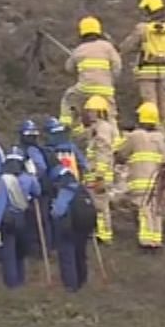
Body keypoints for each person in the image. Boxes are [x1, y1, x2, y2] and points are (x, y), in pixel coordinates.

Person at [116, 103, 165, 249]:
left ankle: (146, 243)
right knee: (155, 212)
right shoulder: (160, 138)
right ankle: (156, 240)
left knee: (144, 211)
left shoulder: (135, 136)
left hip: (140, 182)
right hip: (157, 182)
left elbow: (121, 153)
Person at [120, 0, 165, 126]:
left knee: (150, 102)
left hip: (146, 71)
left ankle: (155, 129)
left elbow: (128, 45)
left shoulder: (142, 28)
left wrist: (122, 50)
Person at [61, 16, 120, 123]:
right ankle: (114, 136)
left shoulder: (79, 49)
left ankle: (67, 125)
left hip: (85, 88)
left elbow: (68, 69)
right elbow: (117, 66)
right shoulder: (108, 47)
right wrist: (111, 81)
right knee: (110, 115)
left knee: (68, 98)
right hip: (106, 89)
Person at [0, 149, 36, 287]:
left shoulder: (4, 180)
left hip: (8, 218)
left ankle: (11, 282)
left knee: (9, 251)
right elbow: (38, 191)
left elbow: (0, 204)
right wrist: (33, 175)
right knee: (21, 251)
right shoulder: (28, 179)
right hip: (24, 217)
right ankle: (21, 279)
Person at [78, 95, 119, 245]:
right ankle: (98, 232)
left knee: (100, 205)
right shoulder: (97, 128)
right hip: (93, 173)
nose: (89, 113)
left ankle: (104, 235)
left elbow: (104, 150)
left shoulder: (103, 128)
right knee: (95, 204)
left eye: (91, 111)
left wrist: (100, 175)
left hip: (99, 174)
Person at [50, 160, 93, 291]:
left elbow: (58, 211)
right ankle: (83, 280)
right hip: (85, 226)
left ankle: (71, 285)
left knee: (67, 256)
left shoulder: (65, 190)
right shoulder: (81, 189)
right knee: (80, 254)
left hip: (69, 228)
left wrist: (52, 209)